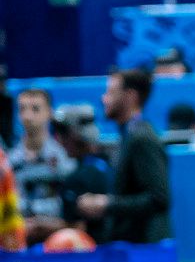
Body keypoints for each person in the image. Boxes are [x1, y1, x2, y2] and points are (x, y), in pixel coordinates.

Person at [73, 69, 171, 245]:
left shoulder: (142, 138)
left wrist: (106, 205)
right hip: (130, 248)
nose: (104, 99)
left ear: (131, 96)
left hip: (145, 250)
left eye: (110, 93)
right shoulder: (129, 136)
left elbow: (158, 199)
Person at [8, 89, 69, 239]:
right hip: (16, 236)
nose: (27, 116)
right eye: (22, 109)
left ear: (49, 112)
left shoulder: (64, 159)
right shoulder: (8, 162)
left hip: (55, 236)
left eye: (35, 109)